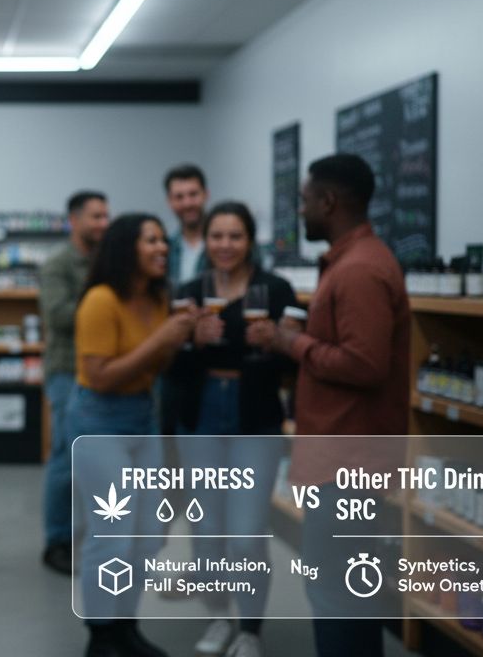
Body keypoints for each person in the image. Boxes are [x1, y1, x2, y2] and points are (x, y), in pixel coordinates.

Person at [251, 153, 410, 657]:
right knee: (346, 592)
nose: (301, 212)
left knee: (335, 593)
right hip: (342, 455)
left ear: (329, 201)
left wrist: (290, 344)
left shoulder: (360, 270)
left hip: (348, 462)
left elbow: (365, 365)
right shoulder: (350, 262)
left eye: (304, 201)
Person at [163, 202, 297, 657]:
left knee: (245, 536)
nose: (224, 245)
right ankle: (220, 616)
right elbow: (171, 368)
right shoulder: (189, 291)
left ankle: (250, 630)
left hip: (254, 417)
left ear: (250, 239)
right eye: (217, 236)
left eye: (235, 236)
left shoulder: (275, 290)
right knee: (205, 533)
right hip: (200, 416)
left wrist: (276, 344)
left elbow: (294, 362)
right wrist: (189, 341)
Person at [70, 213, 196, 657]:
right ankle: (101, 637)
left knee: (146, 536)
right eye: (151, 241)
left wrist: (176, 340)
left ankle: (126, 627)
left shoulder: (160, 298)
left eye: (164, 241)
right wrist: (163, 338)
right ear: (127, 248)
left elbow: (152, 366)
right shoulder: (100, 300)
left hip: (144, 419)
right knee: (112, 535)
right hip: (100, 421)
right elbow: (101, 376)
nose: (163, 248)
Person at [38, 190, 109, 575]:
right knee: (66, 459)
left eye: (106, 217)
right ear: (74, 220)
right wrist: (101, 306)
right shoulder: (59, 264)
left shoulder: (105, 262)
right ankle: (57, 542)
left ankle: (85, 533)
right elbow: (59, 315)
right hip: (68, 371)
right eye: (96, 217)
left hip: (101, 373)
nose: (103, 224)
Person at [164, 164, 210, 287]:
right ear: (169, 201)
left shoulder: (223, 245)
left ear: (206, 194)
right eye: (179, 197)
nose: (187, 203)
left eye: (193, 194)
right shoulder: (164, 249)